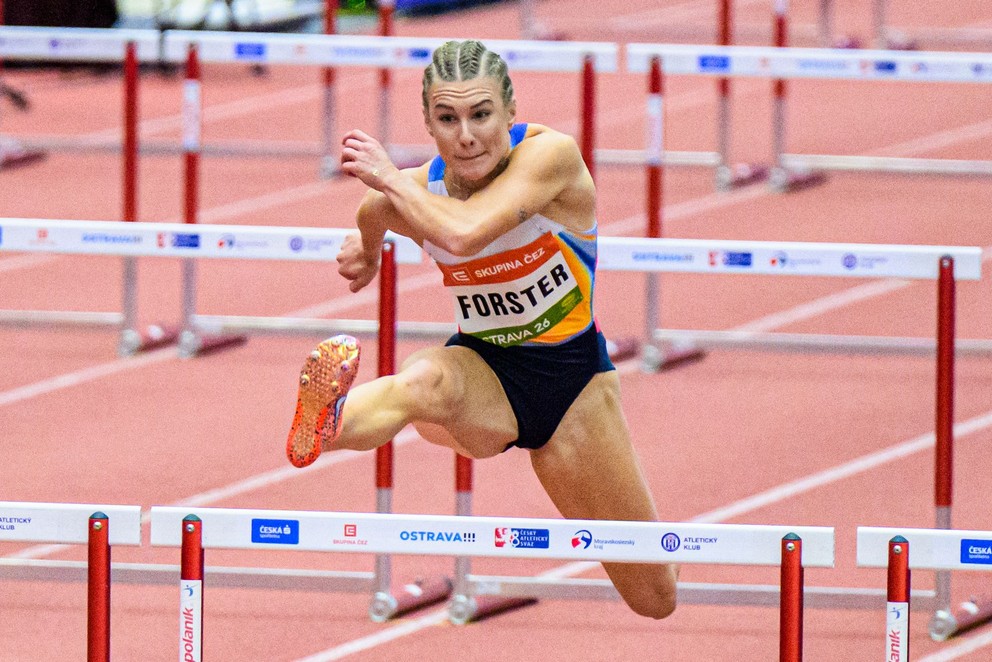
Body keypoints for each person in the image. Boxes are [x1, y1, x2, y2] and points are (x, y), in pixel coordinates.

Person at [286, 39, 677, 620]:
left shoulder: (552, 159)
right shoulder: (417, 189)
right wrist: (367, 255)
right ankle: (324, 425)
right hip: (484, 369)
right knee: (423, 385)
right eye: (448, 119)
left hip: (574, 387)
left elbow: (465, 234)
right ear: (430, 124)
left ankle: (660, 559)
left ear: (510, 113)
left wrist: (392, 184)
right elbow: (374, 214)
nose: (467, 135)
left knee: (655, 597)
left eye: (481, 114)